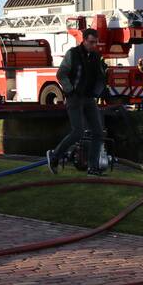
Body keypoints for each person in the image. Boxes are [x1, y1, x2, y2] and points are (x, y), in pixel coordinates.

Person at [47, 28, 107, 176]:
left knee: (98, 132)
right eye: (91, 42)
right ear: (84, 40)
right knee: (78, 132)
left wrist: (97, 92)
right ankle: (55, 155)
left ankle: (93, 167)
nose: (93, 45)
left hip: (89, 98)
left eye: (95, 43)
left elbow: (100, 76)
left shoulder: (95, 56)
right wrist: (70, 90)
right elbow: (61, 73)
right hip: (74, 98)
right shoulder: (72, 54)